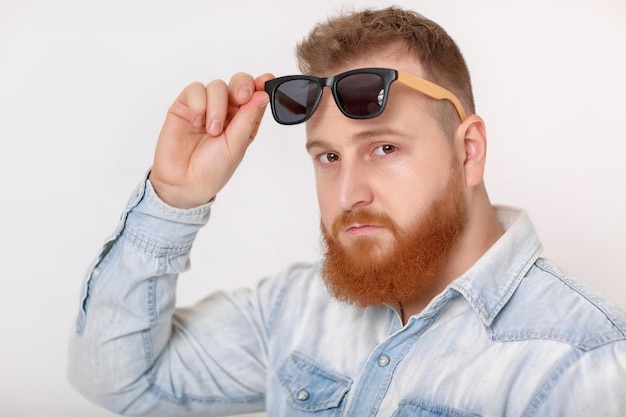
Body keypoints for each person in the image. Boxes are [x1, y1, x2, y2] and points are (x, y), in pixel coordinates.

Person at [69, 6, 626, 416]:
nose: (347, 193)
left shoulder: (582, 364)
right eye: (328, 156)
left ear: (469, 150)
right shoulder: (295, 308)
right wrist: (173, 199)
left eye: (384, 148)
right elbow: (120, 381)